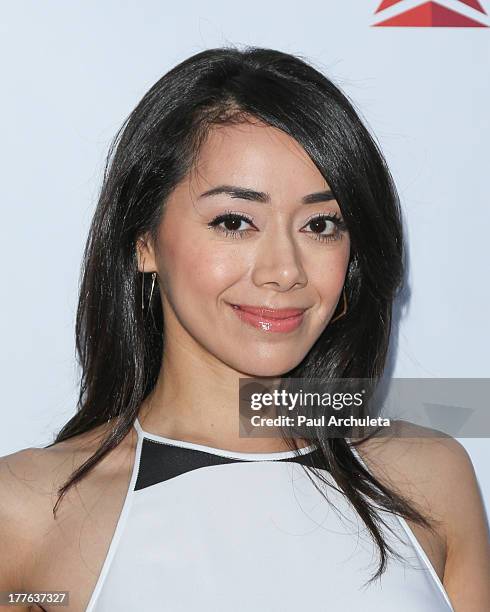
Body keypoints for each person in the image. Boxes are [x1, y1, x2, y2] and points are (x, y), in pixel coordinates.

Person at [1, 46, 489, 612]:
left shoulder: (430, 477)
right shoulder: (28, 511)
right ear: (143, 240)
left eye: (320, 224)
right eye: (234, 222)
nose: (284, 270)